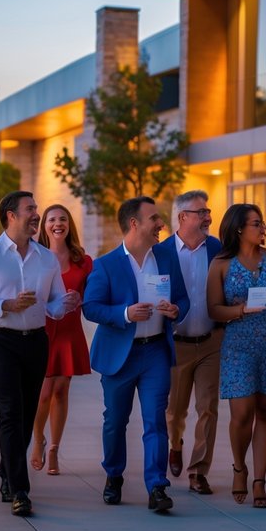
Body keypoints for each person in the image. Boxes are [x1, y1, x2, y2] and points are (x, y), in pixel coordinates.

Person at [0, 191, 81, 517]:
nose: (36, 215)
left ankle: (6, 473)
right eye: (30, 209)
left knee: (28, 415)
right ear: (11, 215)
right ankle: (20, 490)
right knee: (11, 412)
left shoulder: (46, 258)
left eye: (36, 209)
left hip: (36, 341)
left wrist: (65, 304)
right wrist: (5, 306)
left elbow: (53, 304)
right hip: (0, 341)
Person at [82, 196, 189, 514]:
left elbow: (183, 299)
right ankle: (113, 475)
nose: (161, 224)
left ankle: (157, 486)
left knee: (156, 420)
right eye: (154, 218)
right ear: (134, 224)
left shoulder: (167, 258)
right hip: (120, 355)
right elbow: (91, 307)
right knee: (115, 421)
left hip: (155, 350)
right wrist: (126, 313)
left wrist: (175, 310)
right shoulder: (106, 264)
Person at [207, 203, 266, 508]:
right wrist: (239, 309)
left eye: (263, 222)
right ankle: (239, 467)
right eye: (257, 223)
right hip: (239, 343)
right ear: (240, 228)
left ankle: (259, 481)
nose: (263, 228)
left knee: (265, 412)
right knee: (241, 413)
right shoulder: (221, 263)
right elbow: (213, 309)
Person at [156, 190, 223, 495]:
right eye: (201, 212)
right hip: (175, 343)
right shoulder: (162, 253)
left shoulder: (219, 250)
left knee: (208, 408)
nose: (208, 217)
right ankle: (175, 443)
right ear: (183, 217)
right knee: (175, 410)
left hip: (211, 341)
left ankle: (198, 471)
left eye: (208, 211)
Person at [29, 205, 93, 477]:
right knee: (42, 393)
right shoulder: (35, 257)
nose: (58, 224)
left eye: (63, 219)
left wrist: (82, 299)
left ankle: (54, 446)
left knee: (61, 391)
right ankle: (38, 439)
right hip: (42, 330)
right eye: (52, 220)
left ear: (69, 225)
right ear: (44, 226)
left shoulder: (84, 260)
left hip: (69, 331)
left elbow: (92, 296)